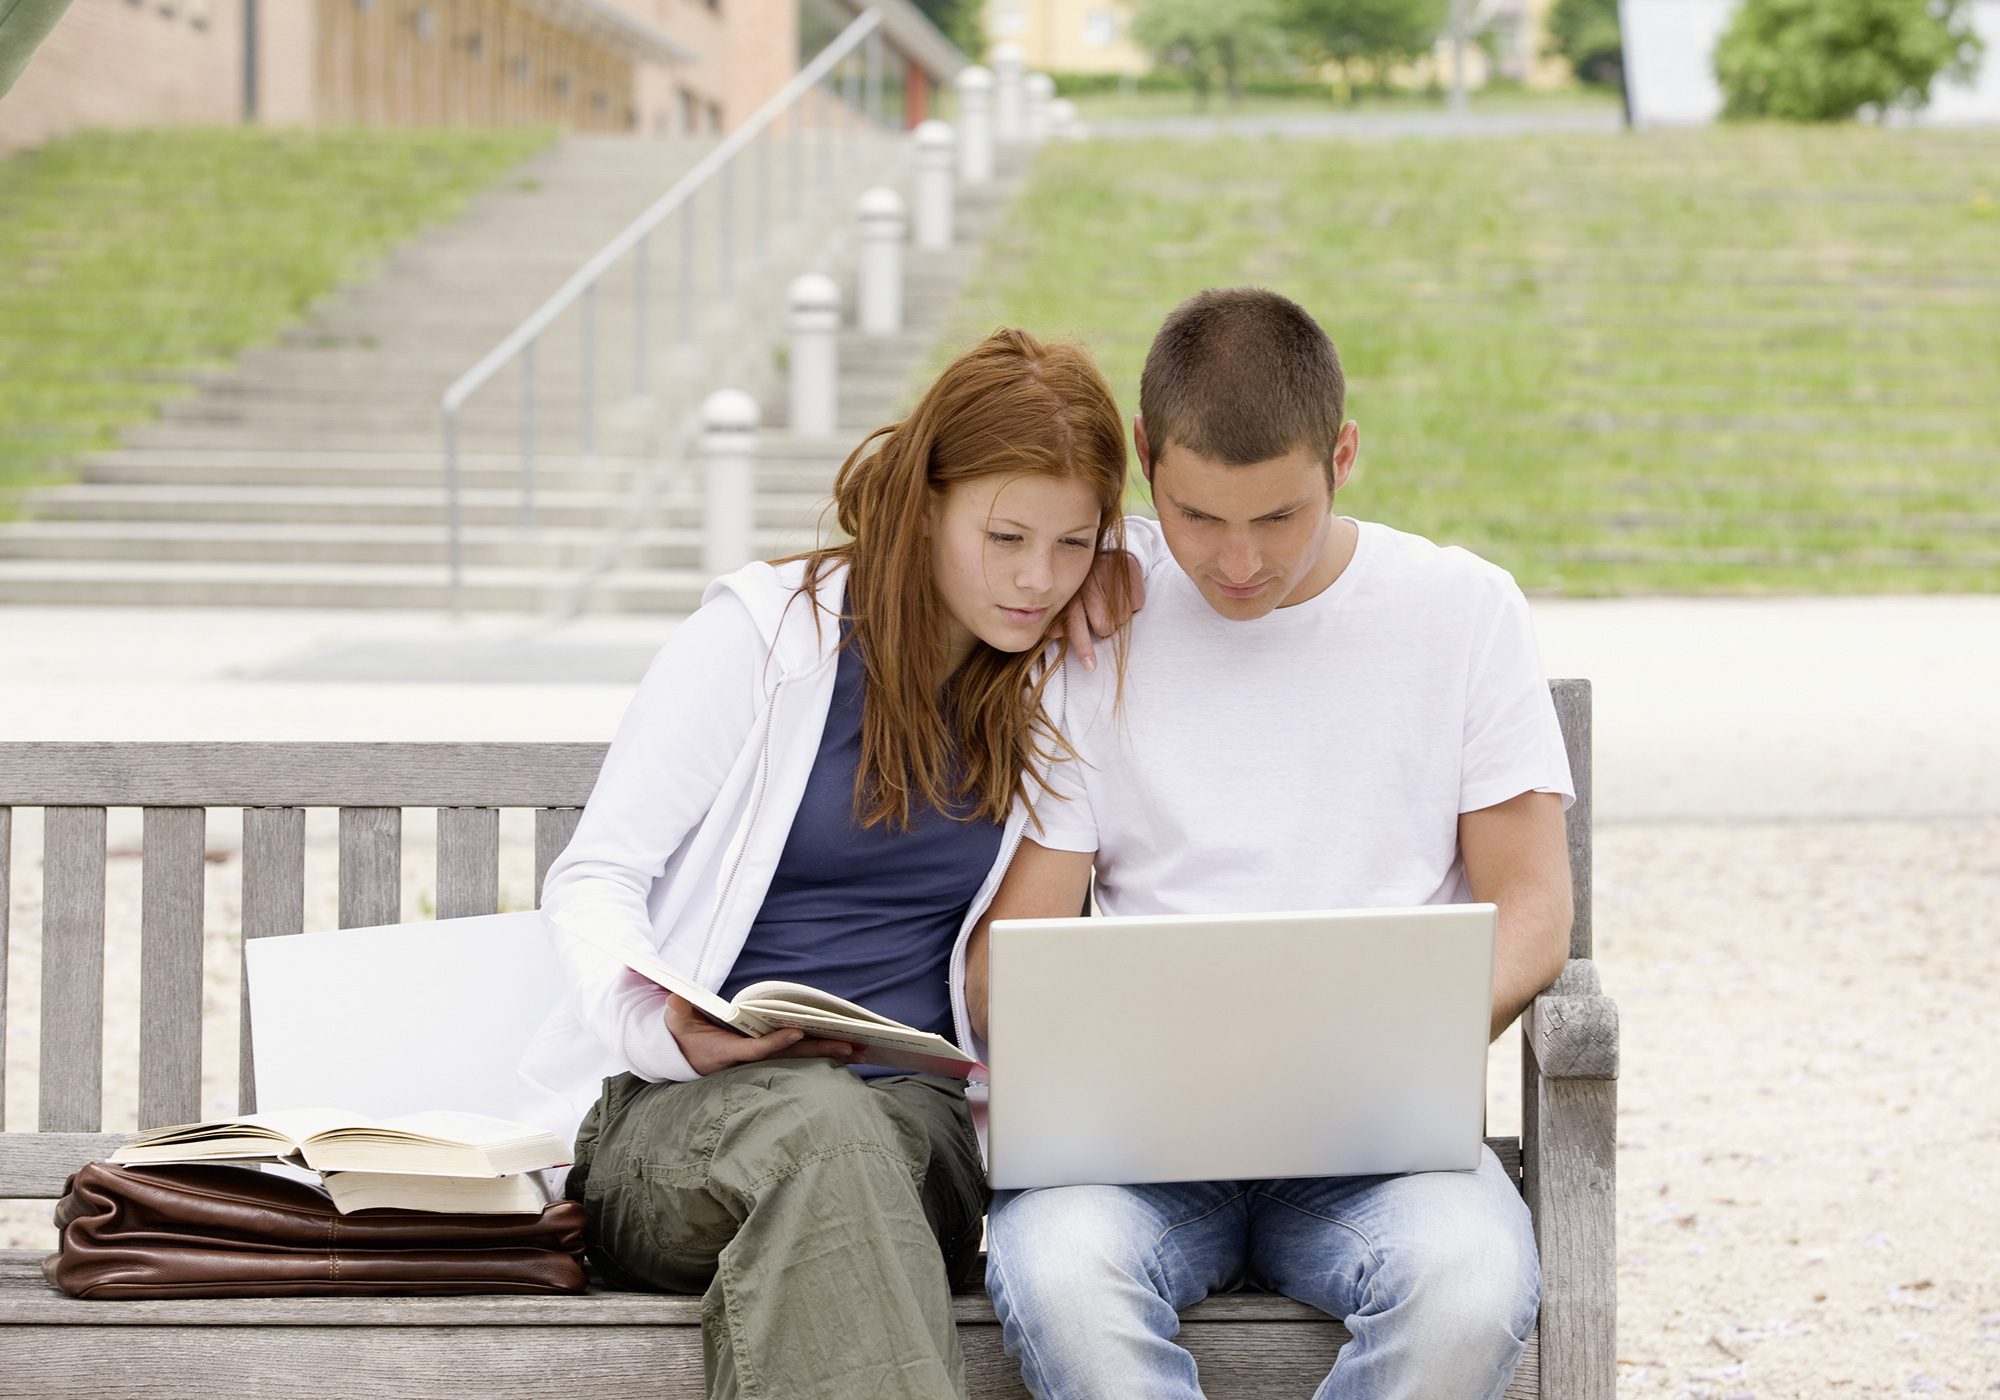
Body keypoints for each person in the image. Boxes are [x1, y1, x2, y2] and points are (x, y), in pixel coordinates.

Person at [967, 288, 1577, 1400]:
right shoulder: (1095, 615)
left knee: (1471, 1280)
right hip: (1135, 1154)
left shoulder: (1459, 610)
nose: (1236, 562)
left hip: (1378, 1151)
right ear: (1145, 458)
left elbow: (1532, 901)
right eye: (1196, 517)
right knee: (1056, 1269)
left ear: (1342, 454)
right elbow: (1018, 941)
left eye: (1277, 518)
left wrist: (1398, 1046)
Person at [519, 328, 1134, 1400]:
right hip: (682, 1130)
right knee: (817, 1128)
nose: (1037, 579)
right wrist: (666, 1024)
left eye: (1074, 544)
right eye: (1004, 535)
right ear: (925, 499)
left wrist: (1131, 568)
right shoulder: (764, 637)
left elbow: (1237, 545)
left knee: (840, 1140)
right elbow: (594, 877)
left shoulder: (1052, 684)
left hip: (917, 1127)